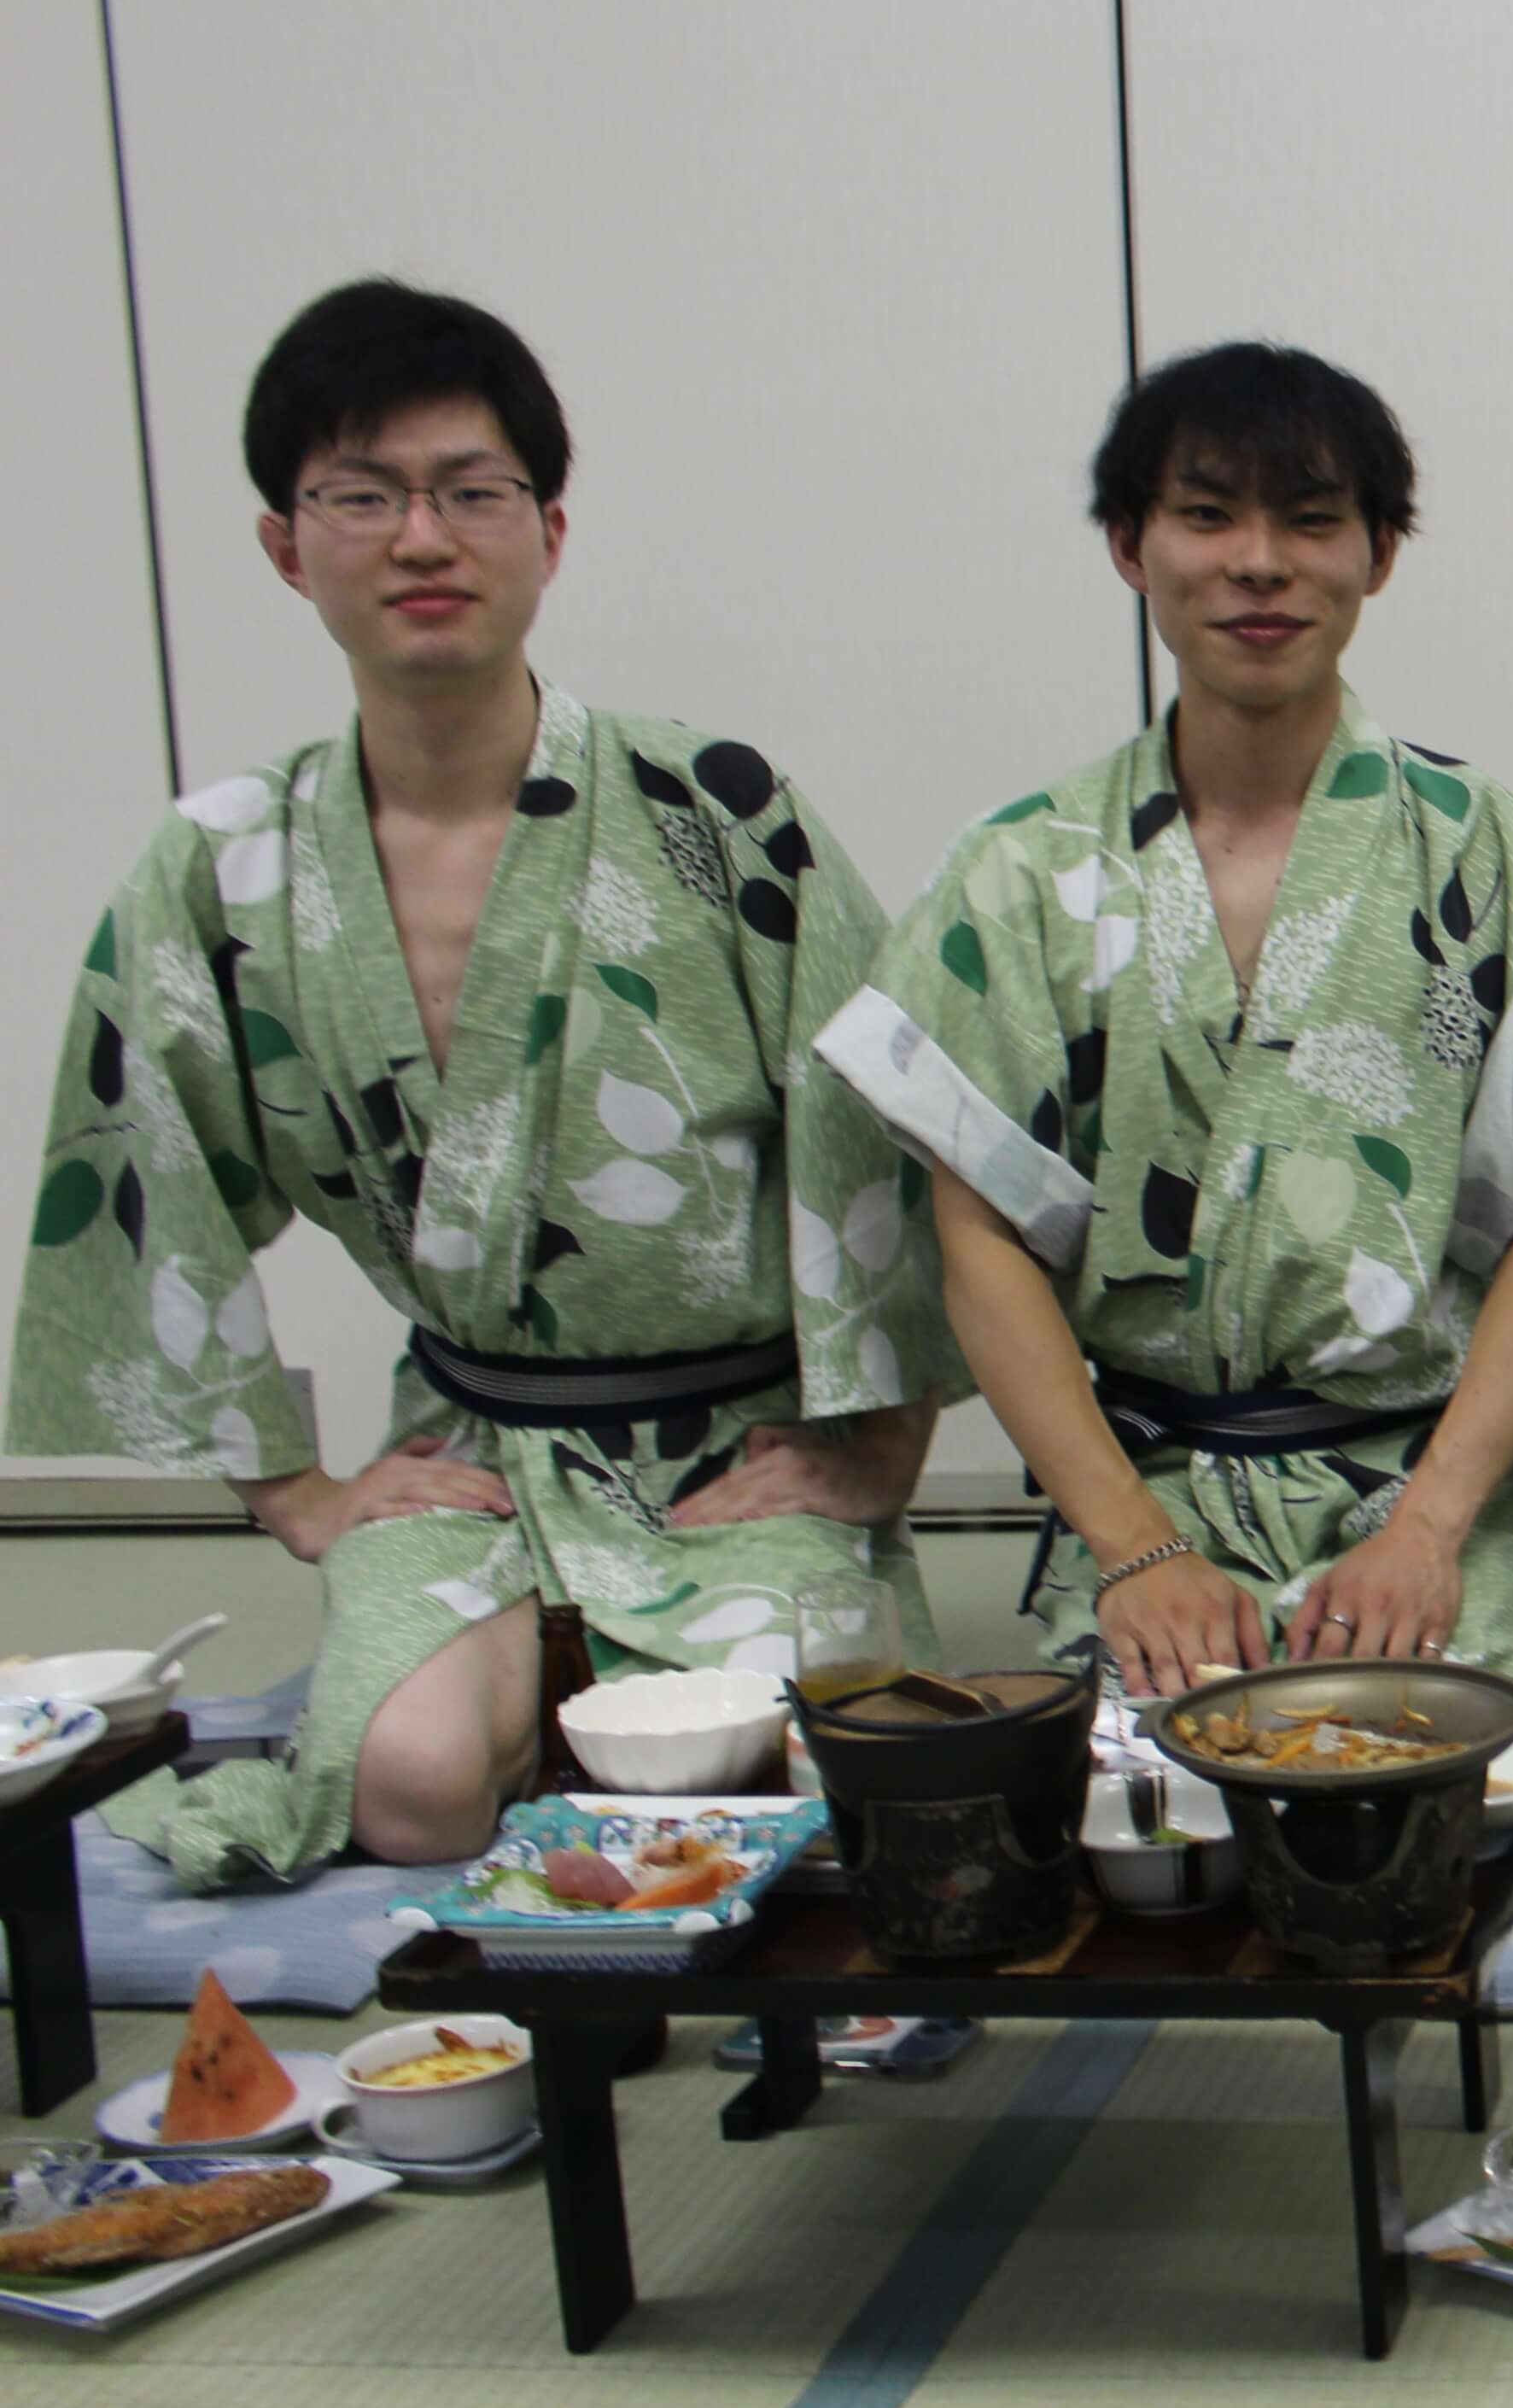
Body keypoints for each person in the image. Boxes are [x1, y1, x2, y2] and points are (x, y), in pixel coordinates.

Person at [7, 279, 945, 1881]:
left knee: (799, 1790)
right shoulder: (221, 867)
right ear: (285, 546)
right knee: (412, 1793)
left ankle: (597, 1675)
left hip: (730, 1447)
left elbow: (884, 1141)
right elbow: (145, 1168)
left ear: (548, 531)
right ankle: (529, 1680)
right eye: (362, 497)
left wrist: (875, 1454)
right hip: (468, 1439)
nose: (421, 539)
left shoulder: (713, 813)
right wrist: (293, 1488)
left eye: (470, 492)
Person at [812, 344, 1513, 1696]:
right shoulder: (1018, 872)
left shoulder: (1500, 859)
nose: (1260, 563)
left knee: (1413, 1822)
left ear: (1381, 554)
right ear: (1131, 547)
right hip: (1144, 1492)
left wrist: (1428, 1531)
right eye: (1208, 515)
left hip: (1420, 1494)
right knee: (1145, 1833)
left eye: (1311, 520)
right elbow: (980, 1237)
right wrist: (1131, 1549)